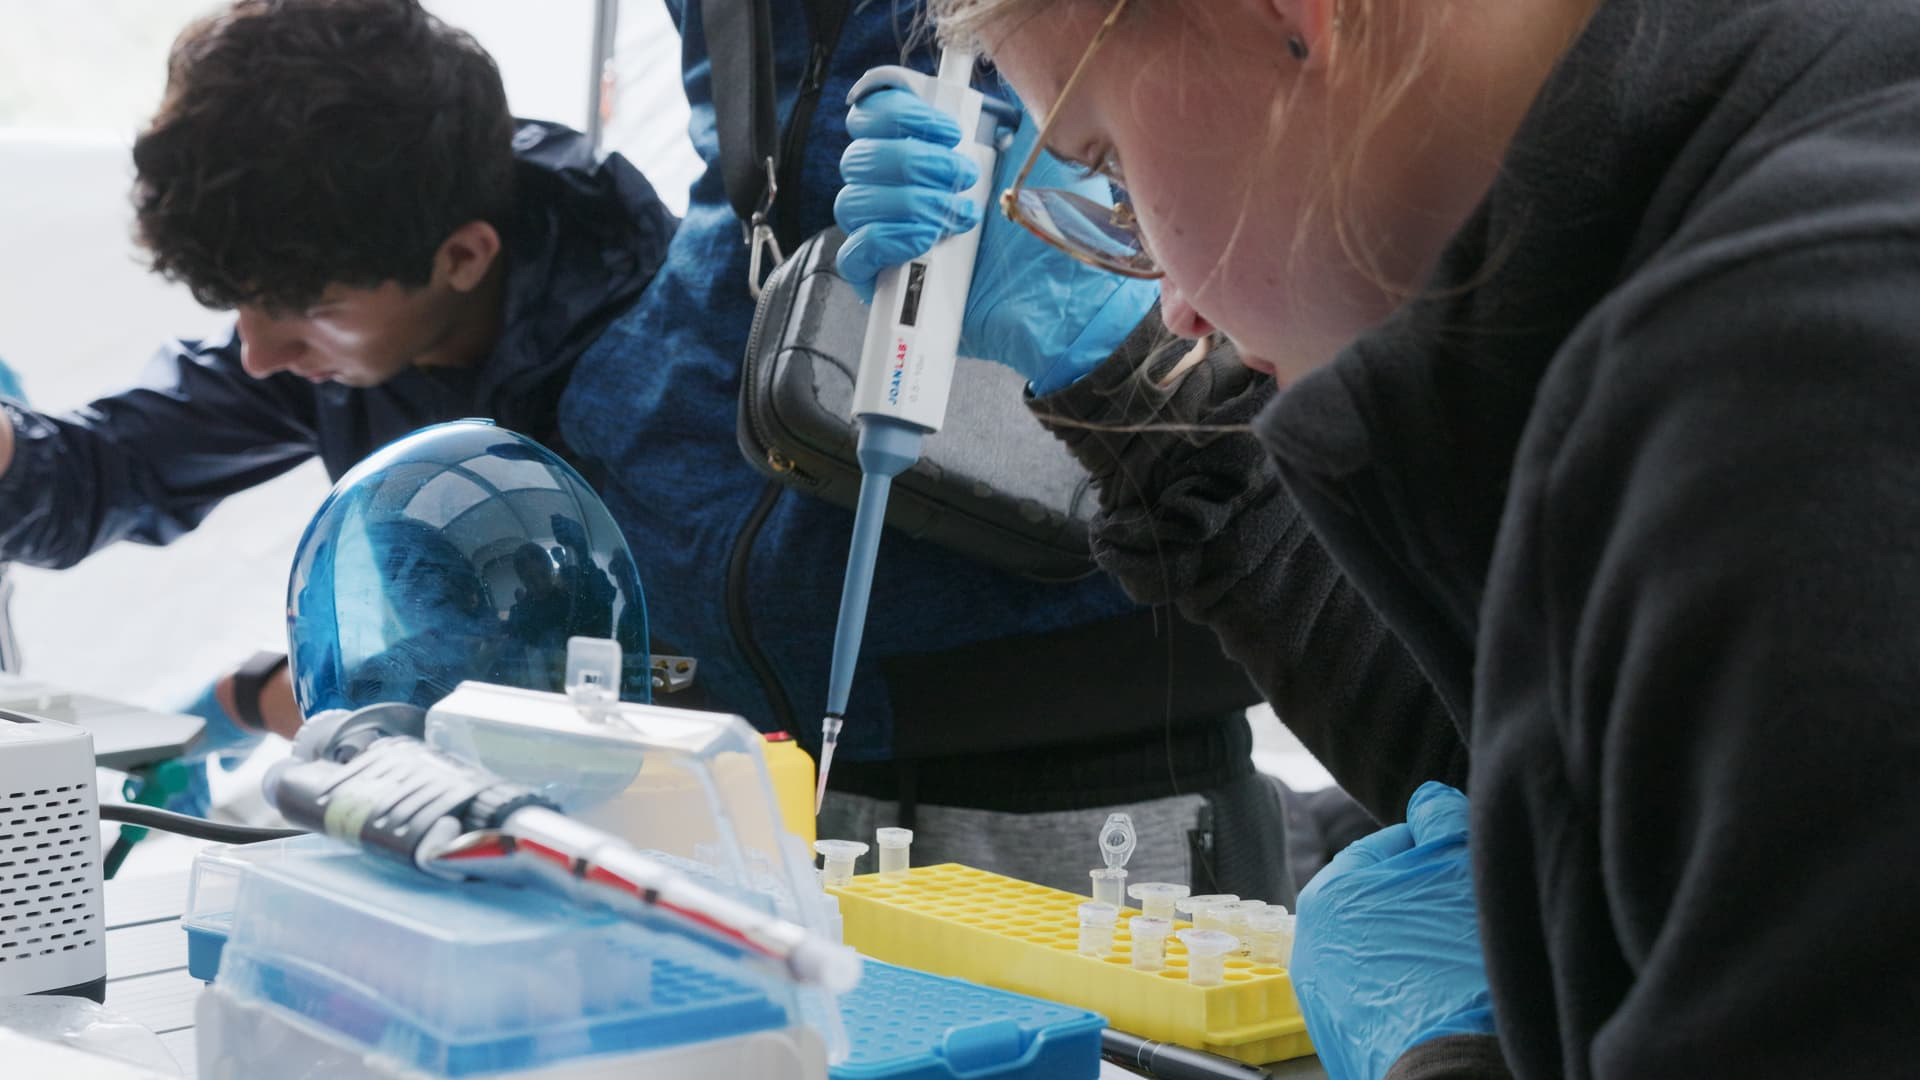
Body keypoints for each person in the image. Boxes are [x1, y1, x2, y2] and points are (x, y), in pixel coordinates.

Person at [852, 0, 1920, 1075]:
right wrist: (1128, 389)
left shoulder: (1804, 386)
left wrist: (1454, 1057)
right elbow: (1548, 717)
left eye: (1112, 170)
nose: (1174, 307)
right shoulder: (1700, 215)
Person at [557, 0, 1370, 902]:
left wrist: (1128, 337)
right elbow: (743, 169)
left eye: (1101, 153)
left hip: (1088, 753)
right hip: (754, 734)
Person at [0, 0, 674, 800]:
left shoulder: (666, 355)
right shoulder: (348, 294)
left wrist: (280, 695)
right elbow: (103, 470)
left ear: (462, 256)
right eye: (241, 304)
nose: (258, 354)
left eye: (309, 311)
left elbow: (636, 682)